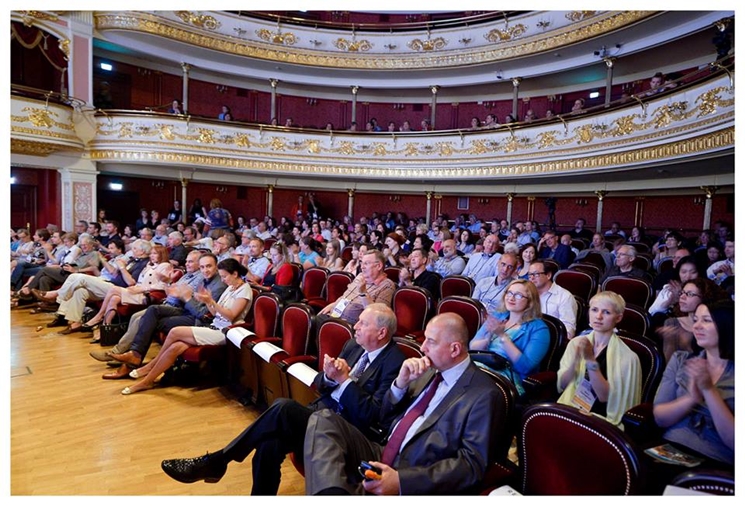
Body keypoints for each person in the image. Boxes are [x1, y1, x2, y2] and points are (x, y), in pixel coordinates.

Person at [159, 304, 406, 494]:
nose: (355, 326)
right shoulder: (354, 346)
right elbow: (320, 383)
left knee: (283, 407)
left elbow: (372, 414)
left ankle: (218, 460)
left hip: (348, 432)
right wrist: (331, 377)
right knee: (269, 444)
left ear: (382, 332)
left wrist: (344, 381)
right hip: (322, 416)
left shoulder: (394, 362)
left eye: (363, 323)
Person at [303, 312, 504, 495]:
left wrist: (402, 481)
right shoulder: (427, 370)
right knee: (323, 418)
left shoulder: (484, 394)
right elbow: (384, 418)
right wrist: (400, 384)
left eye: (431, 342)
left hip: (416, 470)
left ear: (454, 349)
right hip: (384, 450)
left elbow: (471, 465)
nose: (422, 348)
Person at [121, 258, 253, 395]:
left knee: (175, 332)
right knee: (175, 347)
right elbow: (215, 314)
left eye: (224, 276)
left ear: (235, 274)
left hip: (225, 332)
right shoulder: (231, 288)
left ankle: (150, 366)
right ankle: (147, 381)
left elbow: (231, 316)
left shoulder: (244, 290)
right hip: (214, 326)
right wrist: (207, 301)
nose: (223, 280)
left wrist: (212, 301)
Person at [96, 251, 227, 376]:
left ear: (216, 266)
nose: (205, 270)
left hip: (195, 318)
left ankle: (133, 358)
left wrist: (186, 297)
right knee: (151, 312)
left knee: (149, 319)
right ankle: (133, 356)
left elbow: (202, 314)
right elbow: (182, 295)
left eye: (208, 266)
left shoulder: (216, 284)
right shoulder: (203, 279)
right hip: (182, 308)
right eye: (203, 267)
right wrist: (173, 288)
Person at [652, 300, 734, 473]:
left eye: (706, 320)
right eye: (695, 320)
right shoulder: (681, 359)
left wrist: (708, 390)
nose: (697, 326)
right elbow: (660, 418)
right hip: (670, 447)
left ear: (727, 325)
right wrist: (691, 398)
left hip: (715, 461)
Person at [556, 291, 642, 428]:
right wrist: (575, 360)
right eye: (594, 310)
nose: (599, 316)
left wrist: (590, 360)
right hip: (572, 408)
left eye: (606, 312)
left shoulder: (628, 358)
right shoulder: (576, 343)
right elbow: (563, 385)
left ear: (618, 318)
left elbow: (604, 397)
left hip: (601, 420)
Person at [469, 279, 550, 396]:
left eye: (518, 295)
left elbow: (525, 367)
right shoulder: (498, 315)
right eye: (509, 293)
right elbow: (473, 347)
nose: (511, 298)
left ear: (530, 302)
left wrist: (502, 336)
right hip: (480, 367)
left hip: (507, 379)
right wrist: (489, 336)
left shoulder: (539, 329)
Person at [80, 244, 173, 330]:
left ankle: (99, 316)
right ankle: (106, 326)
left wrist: (141, 289)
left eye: (155, 253)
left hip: (146, 295)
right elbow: (140, 281)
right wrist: (136, 287)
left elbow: (163, 285)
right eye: (151, 253)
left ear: (162, 254)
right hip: (137, 291)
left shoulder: (165, 265)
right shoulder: (149, 265)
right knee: (114, 298)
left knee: (113, 289)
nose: (151, 256)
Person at [655, 277, 727, 363]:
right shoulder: (672, 323)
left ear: (705, 297)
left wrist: (686, 343)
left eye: (689, 294)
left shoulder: (716, 325)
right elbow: (669, 364)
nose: (682, 297)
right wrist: (671, 342)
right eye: (682, 293)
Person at [319, 250, 395, 325]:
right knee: (313, 320)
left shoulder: (387, 285)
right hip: (333, 316)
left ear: (378, 266)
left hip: (350, 326)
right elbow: (346, 296)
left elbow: (377, 316)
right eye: (361, 263)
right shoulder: (360, 276)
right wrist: (333, 304)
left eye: (366, 263)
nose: (362, 267)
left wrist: (363, 293)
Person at [528, 259, 578, 339]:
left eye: (536, 274)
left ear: (548, 275)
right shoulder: (527, 293)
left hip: (549, 339)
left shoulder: (564, 297)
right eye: (530, 275)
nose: (532, 278)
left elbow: (568, 332)